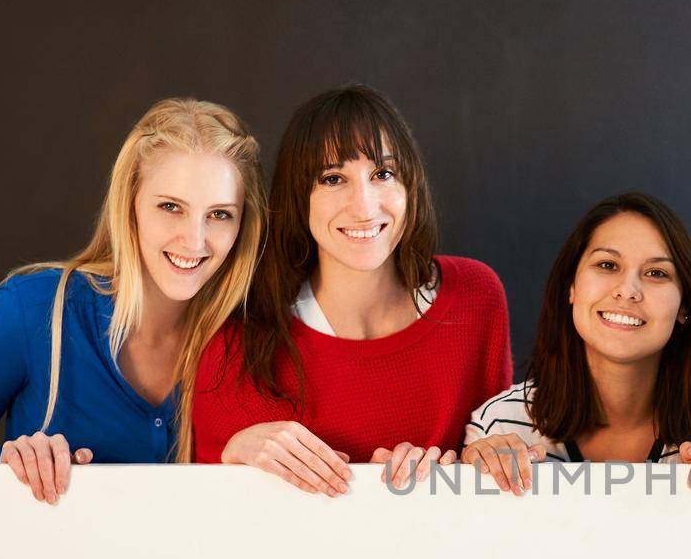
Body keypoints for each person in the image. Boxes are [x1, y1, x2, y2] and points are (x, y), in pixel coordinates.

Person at [0, 98, 265, 504]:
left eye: (220, 214)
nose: (195, 240)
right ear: (129, 204)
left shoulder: (251, 338)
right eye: (171, 207)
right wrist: (11, 464)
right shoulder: (36, 306)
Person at [192, 84, 511, 494]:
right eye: (332, 178)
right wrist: (233, 454)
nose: (364, 206)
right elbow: (205, 514)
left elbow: (494, 465)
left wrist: (465, 466)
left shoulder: (475, 298)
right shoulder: (236, 343)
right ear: (297, 197)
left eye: (383, 174)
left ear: (411, 185)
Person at [463, 192, 691, 495]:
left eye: (656, 273)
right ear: (571, 287)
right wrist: (475, 473)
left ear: (685, 306)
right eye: (607, 265)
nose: (628, 291)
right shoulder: (501, 424)